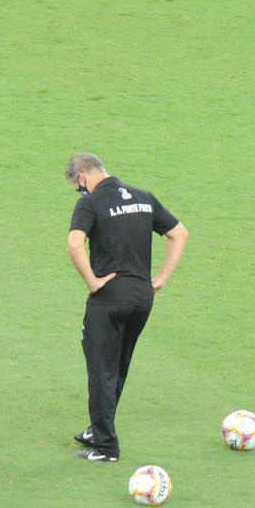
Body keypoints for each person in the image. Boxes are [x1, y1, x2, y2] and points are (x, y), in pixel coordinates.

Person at [65, 152, 188, 461]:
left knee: (100, 369)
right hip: (141, 297)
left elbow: (74, 243)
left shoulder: (89, 203)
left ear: (81, 178)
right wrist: (161, 278)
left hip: (108, 298)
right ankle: (99, 427)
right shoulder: (144, 198)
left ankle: (106, 447)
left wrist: (92, 282)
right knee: (118, 366)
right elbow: (179, 234)